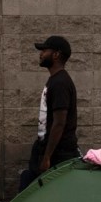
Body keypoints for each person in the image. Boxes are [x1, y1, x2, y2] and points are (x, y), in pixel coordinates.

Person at [19, 36, 80, 191]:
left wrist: (47, 157)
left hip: (58, 154)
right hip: (47, 150)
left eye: (45, 50)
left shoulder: (60, 83)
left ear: (56, 54)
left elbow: (60, 123)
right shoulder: (55, 80)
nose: (41, 54)